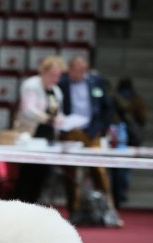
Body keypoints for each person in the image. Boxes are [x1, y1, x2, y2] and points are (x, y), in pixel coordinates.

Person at [58, 56, 121, 226]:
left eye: (81, 71)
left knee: (99, 171)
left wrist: (101, 128)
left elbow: (107, 106)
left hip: (92, 132)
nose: (77, 74)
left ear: (86, 70)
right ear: (69, 69)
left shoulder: (96, 82)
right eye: (74, 70)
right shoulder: (62, 83)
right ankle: (74, 212)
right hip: (70, 132)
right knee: (70, 173)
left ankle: (109, 211)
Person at [13, 55, 66, 204]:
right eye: (53, 75)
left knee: (43, 173)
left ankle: (35, 203)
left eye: (58, 76)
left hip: (48, 135)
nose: (55, 79)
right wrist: (47, 118)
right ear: (43, 71)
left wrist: (61, 119)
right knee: (28, 172)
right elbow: (28, 109)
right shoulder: (31, 85)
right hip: (31, 133)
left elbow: (58, 111)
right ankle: (22, 203)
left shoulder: (56, 91)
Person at [109, 77, 146, 209]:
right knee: (124, 169)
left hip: (122, 138)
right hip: (126, 139)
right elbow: (142, 119)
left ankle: (117, 193)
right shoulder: (136, 100)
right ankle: (121, 192)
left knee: (118, 169)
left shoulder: (115, 99)